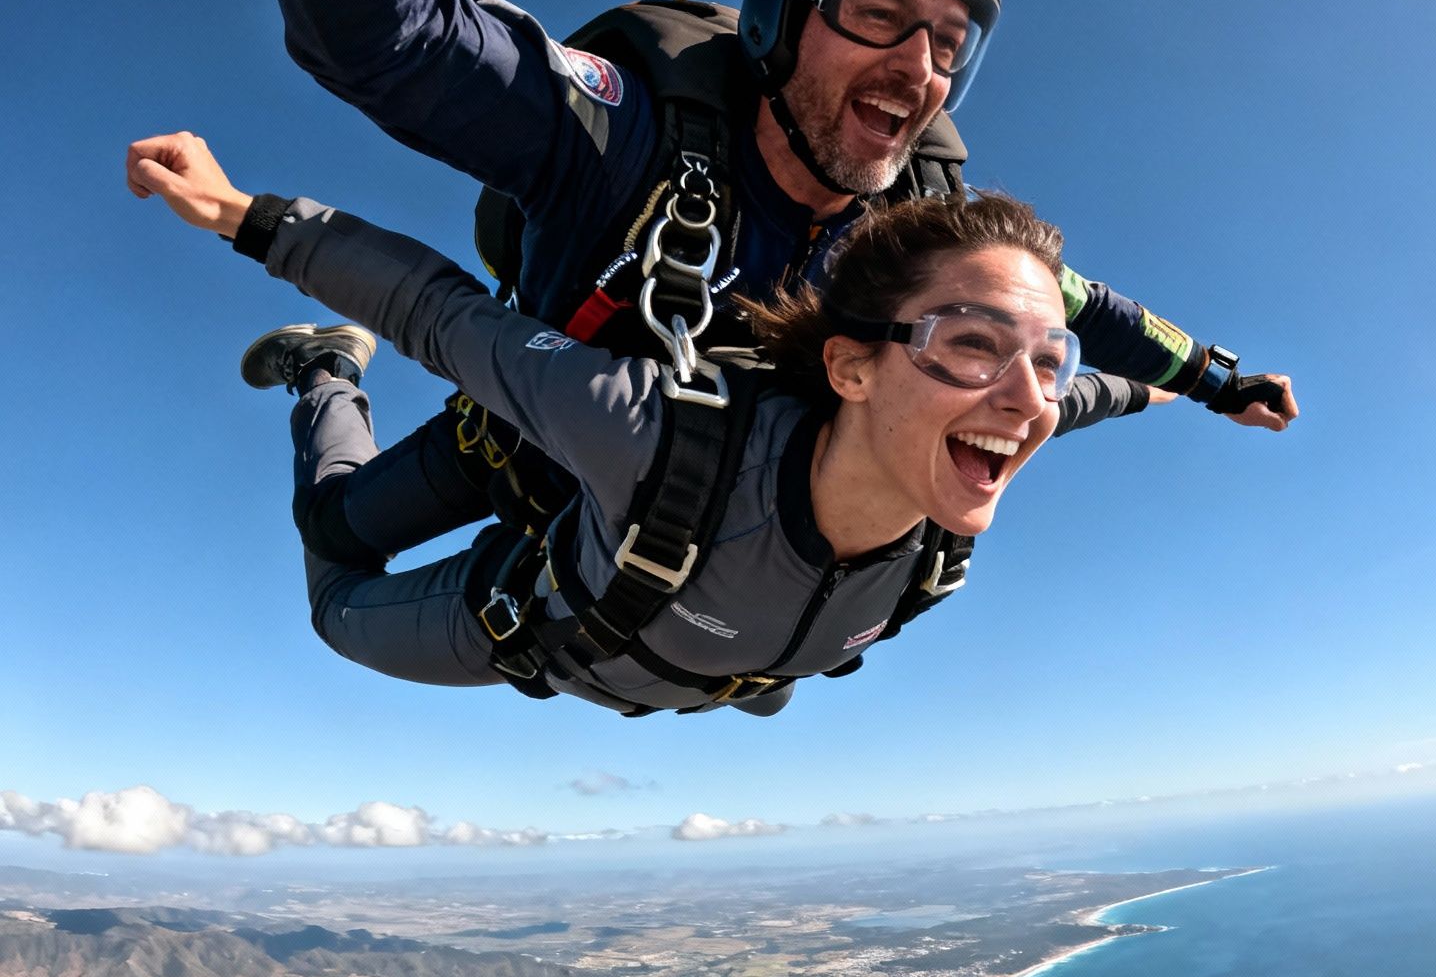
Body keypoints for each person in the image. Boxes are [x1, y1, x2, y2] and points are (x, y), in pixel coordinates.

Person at [257, 0, 1301, 570]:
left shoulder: (921, 237)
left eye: (949, 45)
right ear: (780, 16)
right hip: (521, 442)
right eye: (878, 17)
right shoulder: (629, 135)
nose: (917, 67)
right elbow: (390, 38)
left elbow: (1085, 310)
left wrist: (1215, 380)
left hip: (680, 513)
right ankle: (327, 373)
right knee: (337, 534)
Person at [131, 130, 1121, 717]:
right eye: (970, 345)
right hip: (539, 612)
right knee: (336, 589)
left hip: (665, 623)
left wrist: (1199, 388)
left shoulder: (946, 514)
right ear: (849, 368)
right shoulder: (650, 434)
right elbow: (441, 315)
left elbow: (1087, 399)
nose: (1027, 399)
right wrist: (238, 213)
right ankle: (325, 372)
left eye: (1046, 358)